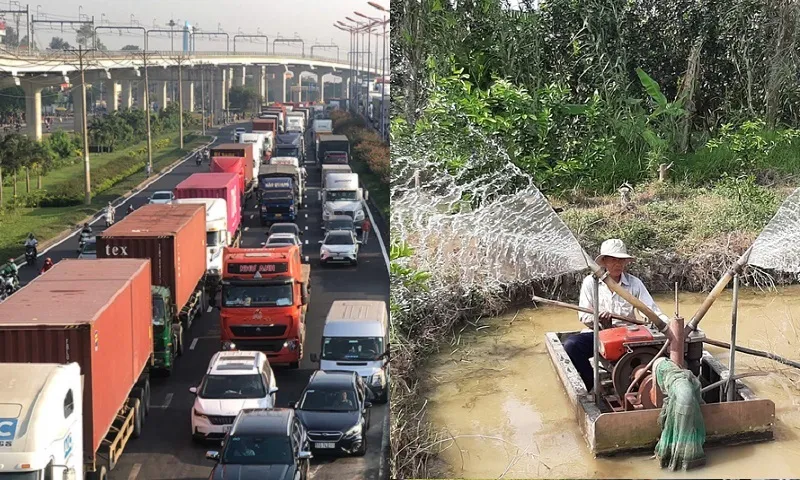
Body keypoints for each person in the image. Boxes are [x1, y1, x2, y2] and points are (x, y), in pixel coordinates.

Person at [562, 238, 669, 392]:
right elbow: (584, 316)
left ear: (626, 262)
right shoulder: (590, 283)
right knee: (571, 346)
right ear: (604, 261)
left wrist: (667, 324)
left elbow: (651, 311)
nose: (618, 264)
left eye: (621, 260)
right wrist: (599, 320)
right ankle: (592, 384)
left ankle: (650, 383)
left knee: (663, 350)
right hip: (599, 333)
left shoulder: (634, 283)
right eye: (613, 260)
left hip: (628, 336)